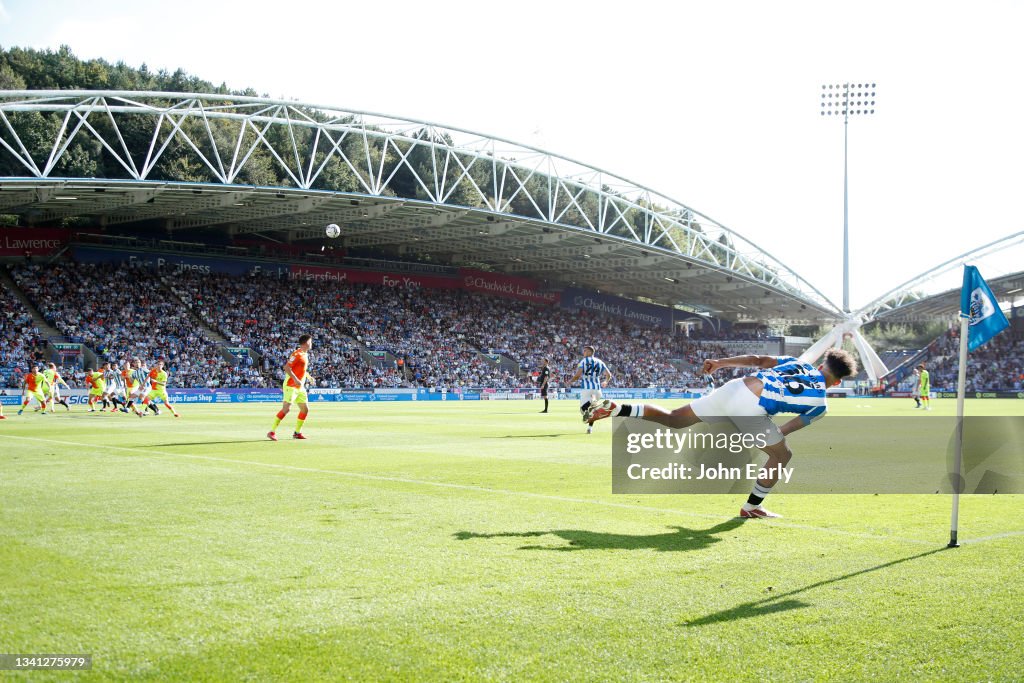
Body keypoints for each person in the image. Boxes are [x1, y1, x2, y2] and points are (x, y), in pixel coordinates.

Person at [586, 349, 858, 518]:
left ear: (823, 364)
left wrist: (719, 362)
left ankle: (617, 408)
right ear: (837, 380)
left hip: (735, 386)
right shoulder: (821, 404)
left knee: (674, 419)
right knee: (782, 455)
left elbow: (757, 360)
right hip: (753, 406)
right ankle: (752, 507)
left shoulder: (795, 362)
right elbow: (786, 429)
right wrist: (761, 436)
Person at [268, 334, 315, 441]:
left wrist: (309, 377)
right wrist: (295, 379)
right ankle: (271, 431)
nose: (311, 343)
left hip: (300, 386)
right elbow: (287, 368)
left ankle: (297, 432)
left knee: (305, 409)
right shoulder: (297, 354)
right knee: (286, 409)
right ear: (306, 343)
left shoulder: (305, 354)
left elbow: (302, 369)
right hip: (291, 385)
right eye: (310, 342)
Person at [567, 346, 613, 434]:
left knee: (582, 410)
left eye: (585, 351)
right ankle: (590, 428)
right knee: (592, 410)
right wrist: (606, 381)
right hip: (597, 389)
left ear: (589, 352)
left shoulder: (583, 361)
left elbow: (577, 375)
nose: (583, 352)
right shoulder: (600, 362)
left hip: (587, 389)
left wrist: (570, 381)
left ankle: (596, 405)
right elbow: (609, 374)